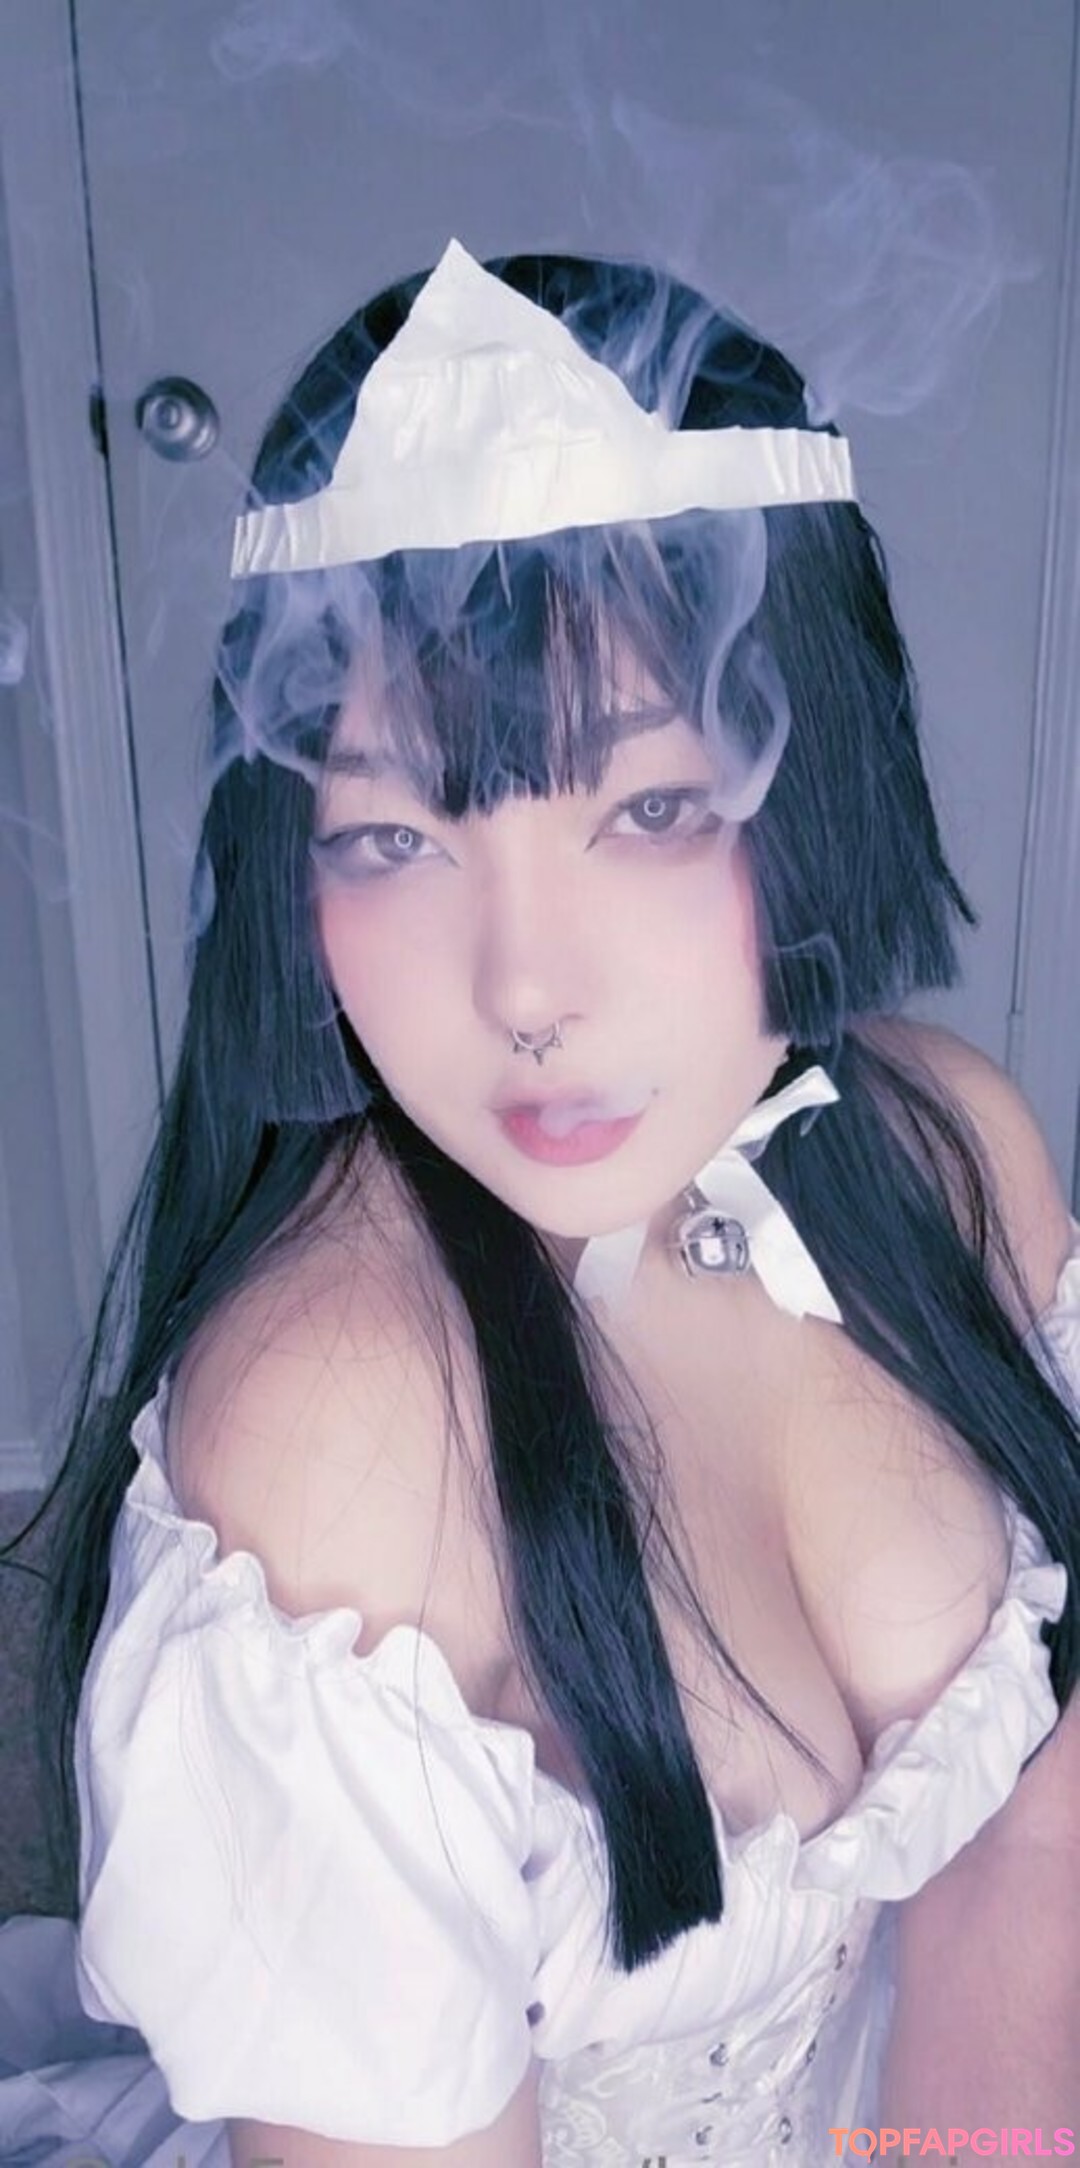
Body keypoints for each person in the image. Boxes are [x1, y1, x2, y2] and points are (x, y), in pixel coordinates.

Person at [1, 240, 1077, 2168]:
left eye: (650, 810)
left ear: (811, 783)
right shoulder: (346, 1434)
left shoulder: (947, 1153)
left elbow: (1038, 1840)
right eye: (391, 838)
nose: (522, 988)